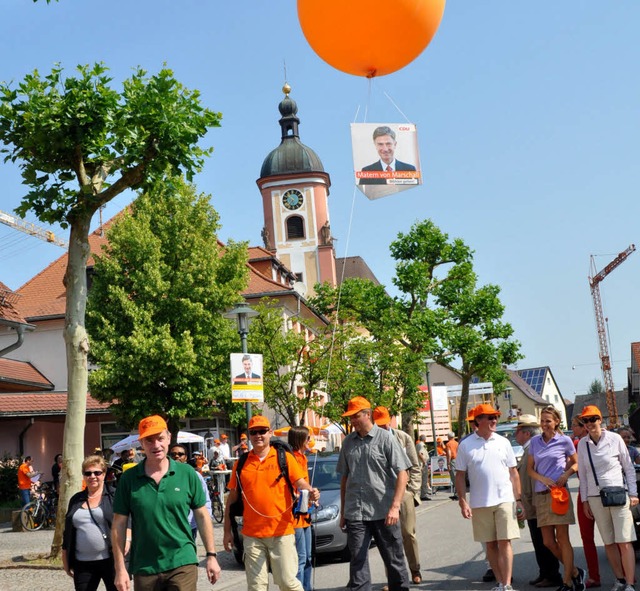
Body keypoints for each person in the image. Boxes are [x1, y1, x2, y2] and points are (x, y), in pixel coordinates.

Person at [111, 415, 221, 591]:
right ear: (141, 443)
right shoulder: (129, 479)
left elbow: (202, 515)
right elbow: (119, 524)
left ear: (169, 438)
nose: (156, 445)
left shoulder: (187, 474)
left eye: (160, 438)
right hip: (145, 565)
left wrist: (211, 555)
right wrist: (120, 568)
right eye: (149, 440)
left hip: (182, 561)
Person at [223, 415, 319, 591]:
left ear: (270, 433)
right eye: (254, 432)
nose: (258, 435)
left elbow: (300, 482)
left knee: (287, 583)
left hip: (281, 532)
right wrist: (226, 531)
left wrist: (310, 490)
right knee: (256, 587)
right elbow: (231, 500)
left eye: (262, 431)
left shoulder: (284, 458)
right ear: (249, 435)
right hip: (252, 535)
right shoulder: (241, 463)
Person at [338, 396, 411, 591]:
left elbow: (403, 473)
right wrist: (344, 512)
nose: (352, 421)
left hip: (384, 511)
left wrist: (395, 507)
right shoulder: (348, 443)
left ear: (368, 415)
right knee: (358, 562)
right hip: (356, 512)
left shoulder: (386, 438)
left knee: (394, 559)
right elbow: (344, 478)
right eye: (350, 417)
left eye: (356, 416)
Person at [455, 403, 522, 591]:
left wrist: (519, 500)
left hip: (505, 500)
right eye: (490, 417)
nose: (494, 420)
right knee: (490, 545)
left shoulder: (504, 442)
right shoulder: (466, 445)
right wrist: (462, 501)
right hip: (480, 502)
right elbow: (459, 475)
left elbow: (514, 473)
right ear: (478, 420)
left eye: (495, 417)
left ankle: (507, 585)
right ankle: (500, 583)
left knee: (505, 542)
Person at [577, 405, 638, 591]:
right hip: (596, 499)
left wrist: (633, 493)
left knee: (624, 541)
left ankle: (629, 582)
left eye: (592, 419)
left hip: (618, 494)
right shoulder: (582, 444)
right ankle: (619, 579)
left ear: (600, 419)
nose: (589, 424)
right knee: (609, 542)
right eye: (585, 421)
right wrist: (585, 500)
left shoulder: (615, 438)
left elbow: (628, 467)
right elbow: (583, 473)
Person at [527, 405, 584, 591]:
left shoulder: (564, 440)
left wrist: (566, 475)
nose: (544, 424)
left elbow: (576, 463)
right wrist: (541, 478)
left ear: (557, 421)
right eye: (542, 421)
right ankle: (575, 571)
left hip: (559, 494)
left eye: (548, 421)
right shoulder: (535, 442)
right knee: (548, 542)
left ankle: (567, 582)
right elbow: (529, 469)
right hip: (542, 495)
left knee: (562, 539)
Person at [373, 406, 423, 585]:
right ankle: (393, 579)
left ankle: (415, 569)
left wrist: (413, 490)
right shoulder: (373, 440)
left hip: (405, 493)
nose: (382, 427)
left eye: (384, 423)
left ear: (390, 420)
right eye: (378, 424)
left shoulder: (403, 438)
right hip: (384, 495)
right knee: (389, 538)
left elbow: (415, 466)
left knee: (408, 533)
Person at [515, 415, 562, 588]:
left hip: (535, 503)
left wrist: (528, 503)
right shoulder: (529, 449)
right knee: (538, 542)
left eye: (518, 431)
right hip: (532, 503)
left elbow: (531, 481)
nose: (515, 434)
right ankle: (545, 573)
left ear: (526, 433)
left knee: (544, 542)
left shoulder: (532, 450)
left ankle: (552, 574)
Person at [62, 454, 120, 591]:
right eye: (88, 473)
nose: (92, 476)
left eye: (97, 472)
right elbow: (68, 531)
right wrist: (65, 560)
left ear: (104, 474)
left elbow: (126, 524)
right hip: (82, 563)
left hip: (110, 560)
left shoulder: (114, 496)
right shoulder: (76, 499)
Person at [572, 416, 601, 588]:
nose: (572, 428)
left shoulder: (579, 444)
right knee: (586, 537)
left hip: (599, 494)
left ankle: (624, 575)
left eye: (574, 426)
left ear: (583, 428)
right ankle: (594, 576)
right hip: (584, 495)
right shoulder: (576, 444)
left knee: (611, 537)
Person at [169, 444, 212, 541]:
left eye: (180, 454)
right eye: (173, 454)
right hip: (169, 526)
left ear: (186, 458)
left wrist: (206, 520)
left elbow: (205, 500)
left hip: (189, 526)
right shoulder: (163, 475)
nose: (177, 456)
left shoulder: (194, 476)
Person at [288, 425, 313, 591]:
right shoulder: (293, 459)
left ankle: (307, 588)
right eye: (308, 438)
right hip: (295, 515)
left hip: (306, 513)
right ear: (300, 441)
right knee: (301, 557)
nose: (310, 441)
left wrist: (312, 496)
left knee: (308, 557)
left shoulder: (303, 458)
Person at [415, 434, 431, 500]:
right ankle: (423, 495)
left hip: (420, 464)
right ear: (425, 439)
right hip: (422, 464)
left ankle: (421, 494)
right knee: (424, 479)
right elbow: (420, 454)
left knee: (421, 479)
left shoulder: (418, 444)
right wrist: (424, 461)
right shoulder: (422, 445)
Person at [445, 431, 459, 500]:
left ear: (449, 437)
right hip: (458, 460)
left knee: (454, 478)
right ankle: (456, 493)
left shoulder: (448, 444)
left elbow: (449, 454)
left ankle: (457, 494)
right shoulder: (457, 443)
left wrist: (448, 463)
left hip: (452, 461)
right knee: (457, 477)